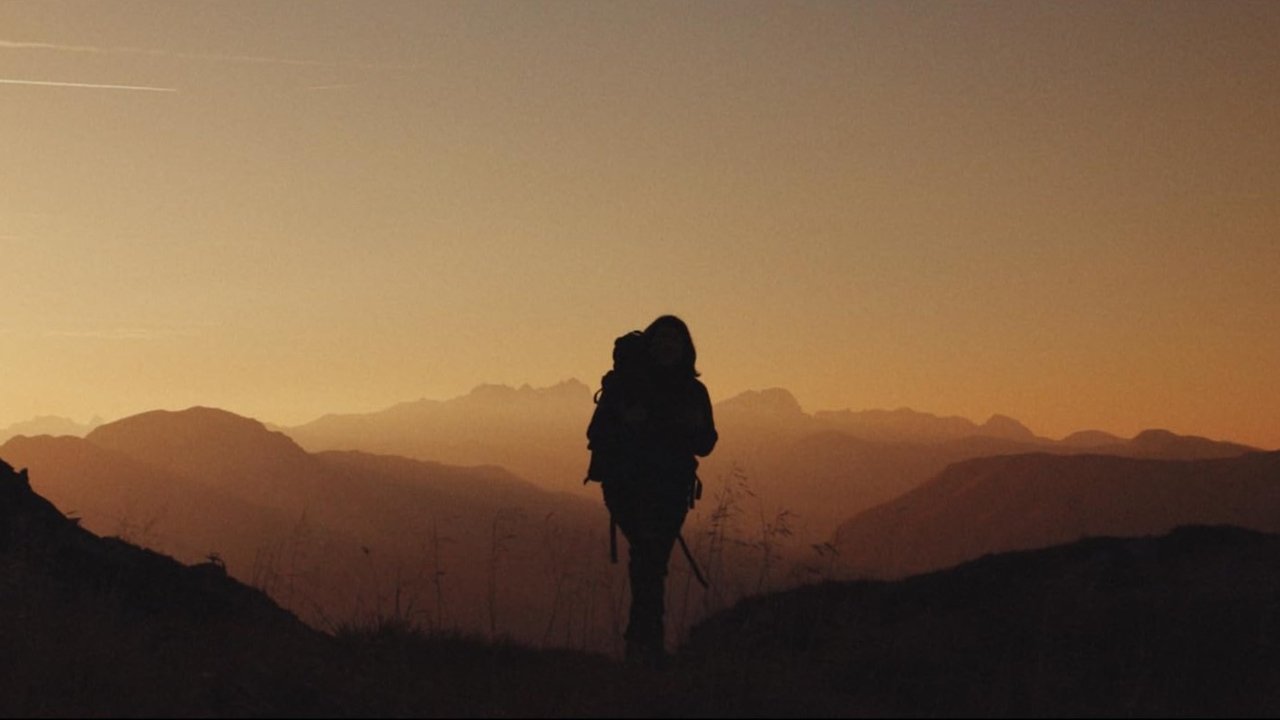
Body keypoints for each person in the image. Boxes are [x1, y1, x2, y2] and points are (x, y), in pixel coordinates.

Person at [586, 315, 718, 667]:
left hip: (670, 491)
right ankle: (647, 648)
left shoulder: (693, 392)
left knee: (649, 561)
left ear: (685, 348)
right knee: (649, 558)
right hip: (629, 489)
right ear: (651, 344)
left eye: (674, 340)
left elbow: (706, 442)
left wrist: (690, 430)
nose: (668, 346)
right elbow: (596, 434)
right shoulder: (627, 386)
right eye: (662, 339)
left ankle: (642, 648)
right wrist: (630, 426)